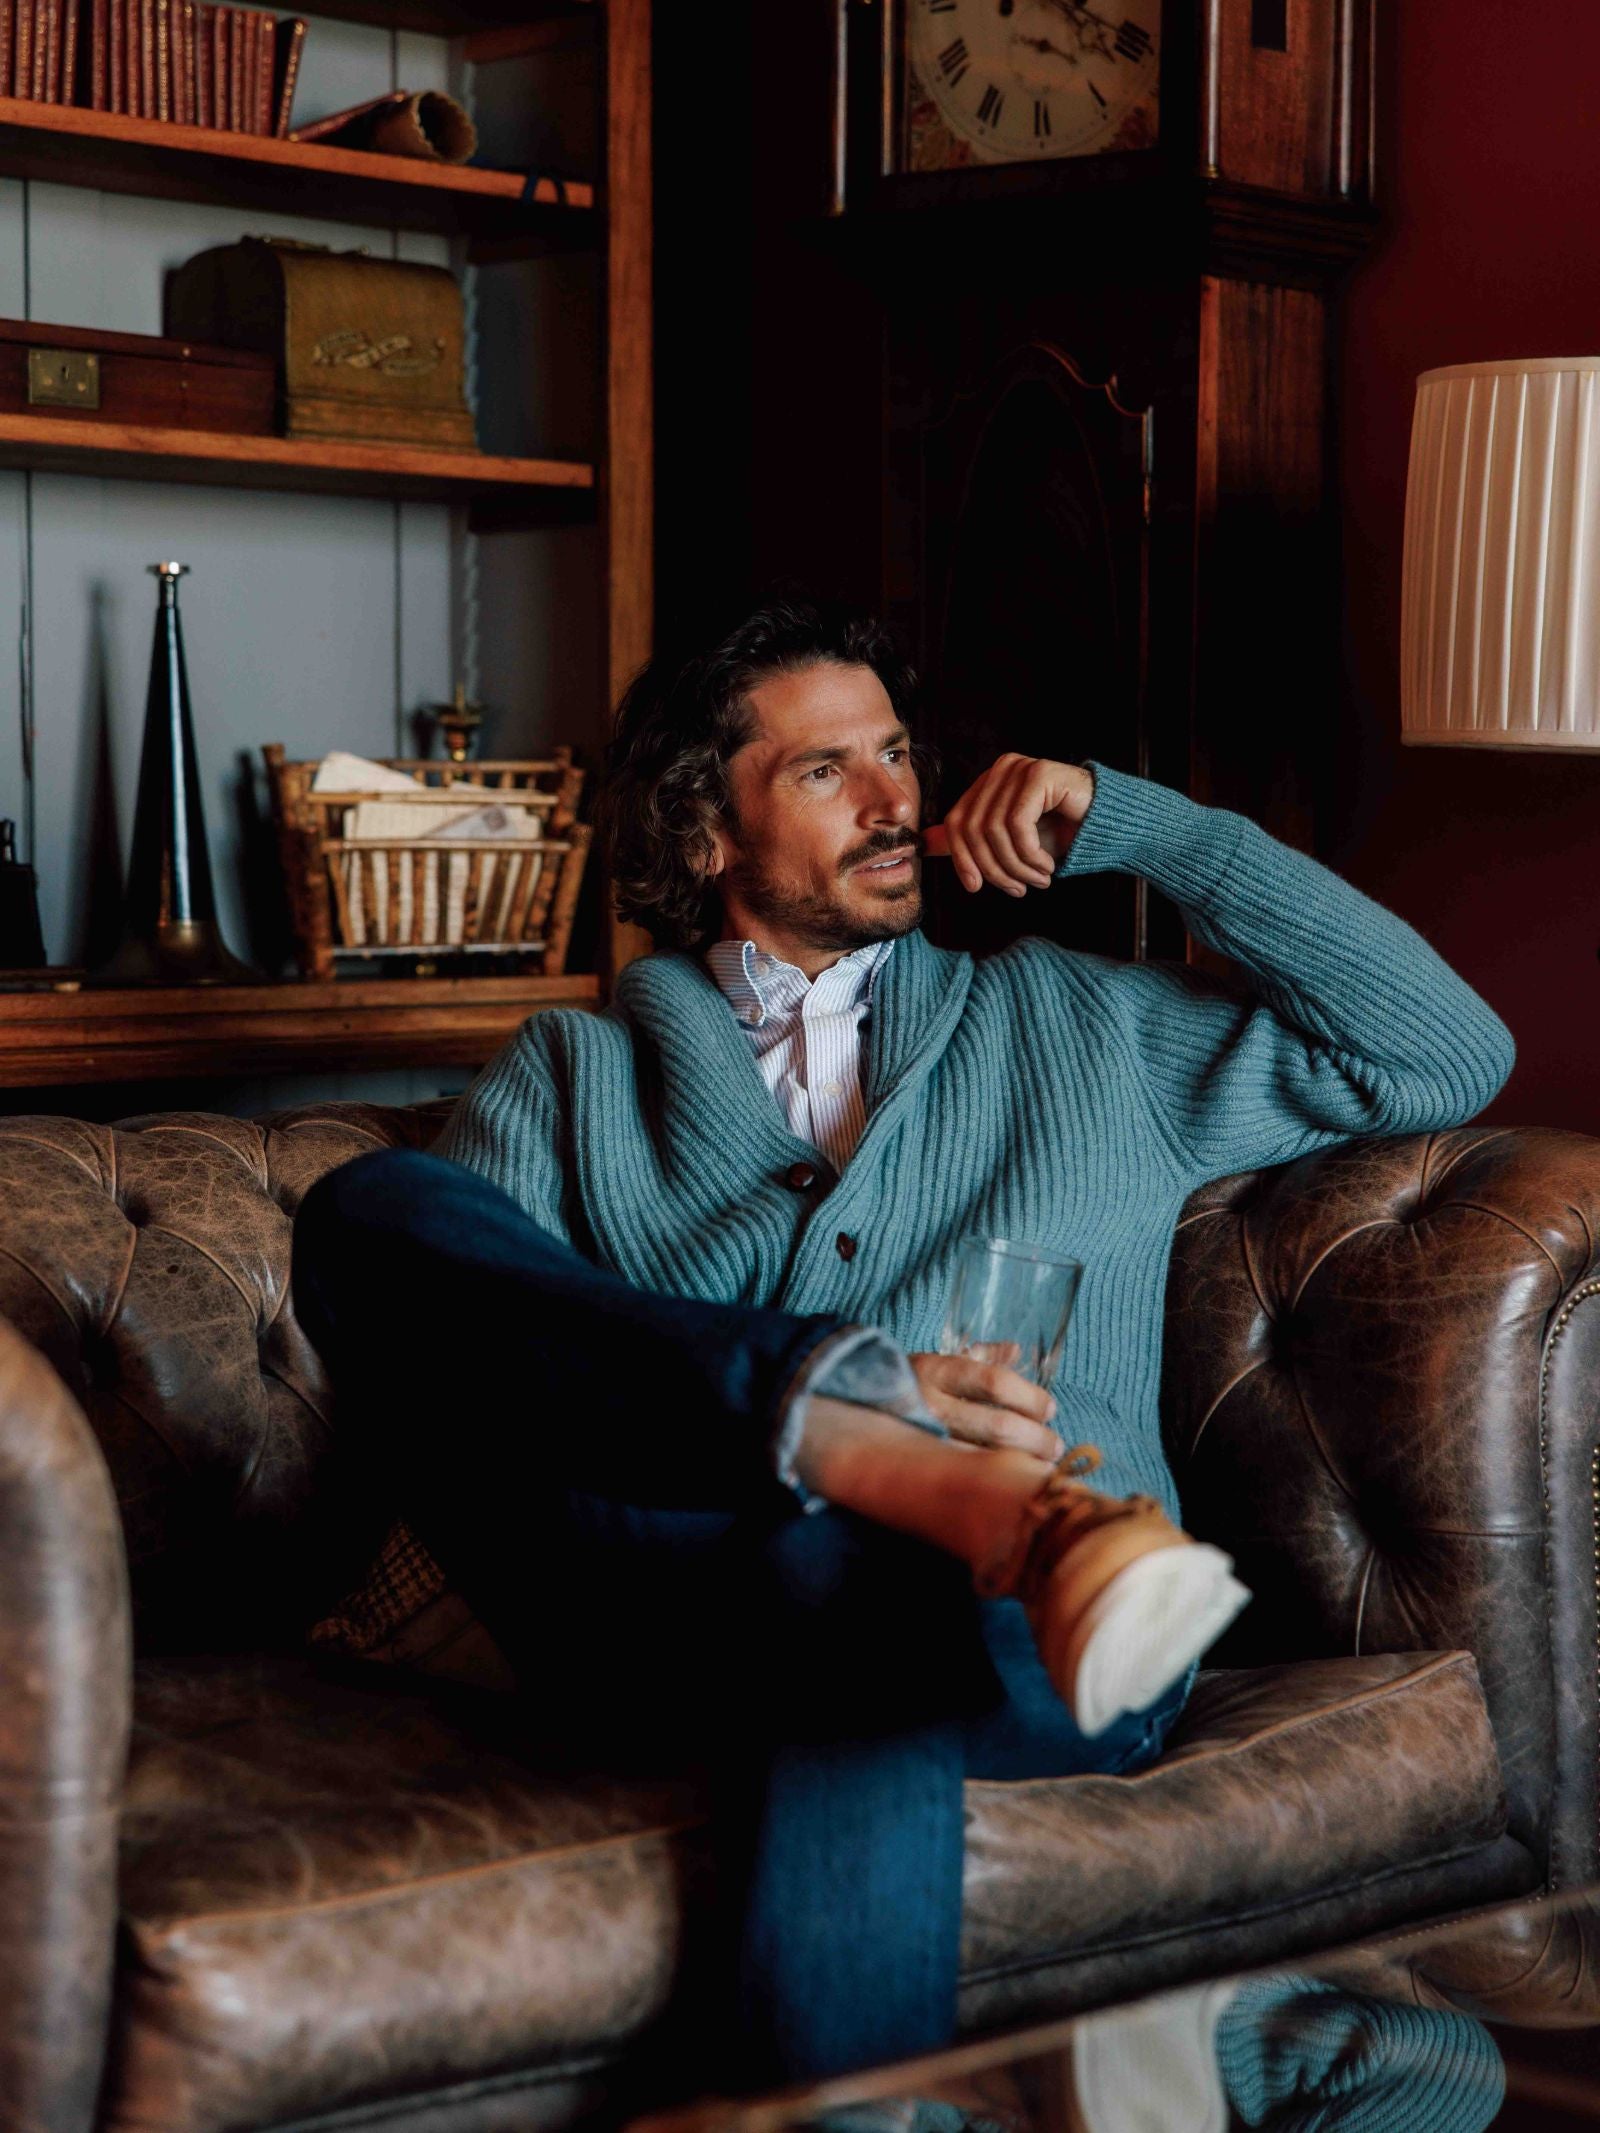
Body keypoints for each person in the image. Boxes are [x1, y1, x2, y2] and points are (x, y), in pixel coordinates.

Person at [292, 597, 1514, 2092]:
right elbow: (478, 1366)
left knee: (850, 1580)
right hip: (666, 1605)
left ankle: (873, 1465)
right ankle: (838, 1417)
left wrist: (1146, 830)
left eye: (898, 754)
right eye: (826, 770)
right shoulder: (577, 1071)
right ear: (702, 835)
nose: (896, 802)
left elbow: (1442, 1049)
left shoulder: (1083, 1027)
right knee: (370, 1212)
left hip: (1035, 1620)